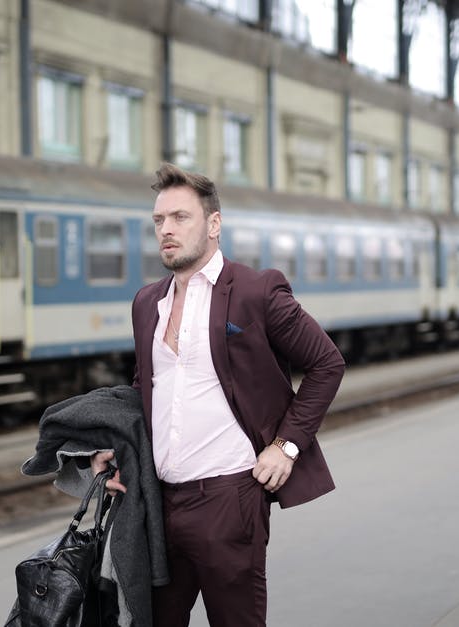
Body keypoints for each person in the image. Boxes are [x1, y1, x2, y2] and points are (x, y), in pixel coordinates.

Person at [93, 162, 345, 626]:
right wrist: (121, 450)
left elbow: (327, 363)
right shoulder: (147, 302)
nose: (166, 230)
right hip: (157, 503)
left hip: (229, 499)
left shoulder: (256, 291)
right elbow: (147, 389)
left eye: (180, 217)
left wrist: (286, 446)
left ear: (213, 224)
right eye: (159, 220)